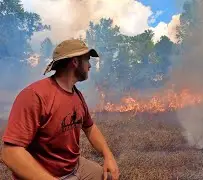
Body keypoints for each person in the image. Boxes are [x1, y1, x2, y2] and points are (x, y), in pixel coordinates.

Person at [1, 39, 119, 180]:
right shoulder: (34, 95)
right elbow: (10, 153)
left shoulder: (76, 94)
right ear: (75, 62)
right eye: (87, 60)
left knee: (109, 177)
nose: (90, 65)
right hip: (45, 175)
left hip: (74, 166)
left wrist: (108, 155)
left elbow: (90, 127)